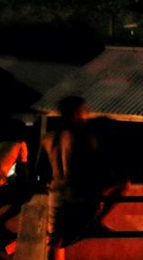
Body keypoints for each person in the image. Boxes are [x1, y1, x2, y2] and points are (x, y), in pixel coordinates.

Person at [40, 95, 102, 247]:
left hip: (55, 192)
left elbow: (42, 170)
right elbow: (93, 167)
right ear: (76, 114)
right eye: (84, 111)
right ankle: (97, 223)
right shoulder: (84, 137)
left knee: (55, 239)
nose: (87, 114)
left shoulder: (49, 137)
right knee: (121, 185)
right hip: (78, 193)